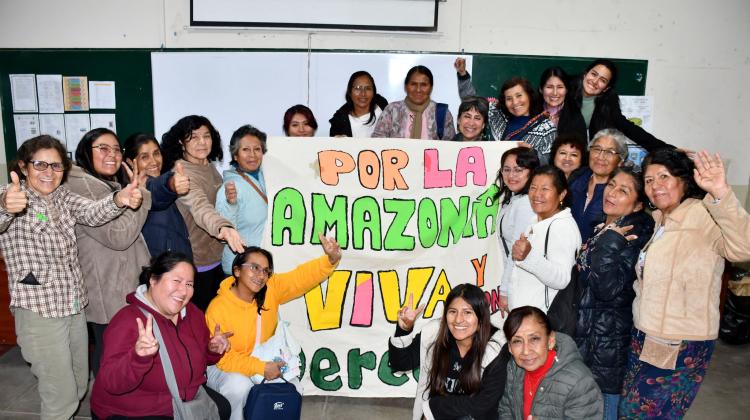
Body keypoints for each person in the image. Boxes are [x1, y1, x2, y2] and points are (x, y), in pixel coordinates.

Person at [0, 135, 141, 419]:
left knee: (77, 385)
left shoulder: (63, 196)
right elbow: (3, 213)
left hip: (73, 308)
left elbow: (91, 212)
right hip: (38, 312)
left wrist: (119, 199)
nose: (49, 173)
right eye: (40, 165)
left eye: (56, 166)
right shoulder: (14, 196)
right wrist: (5, 205)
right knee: (60, 397)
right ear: (25, 167)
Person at [620, 149, 750, 418]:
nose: (656, 185)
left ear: (683, 180)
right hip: (645, 334)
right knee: (633, 410)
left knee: (644, 414)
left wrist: (721, 193)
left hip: (679, 341)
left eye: (664, 176)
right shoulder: (659, 220)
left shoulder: (702, 214)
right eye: (649, 180)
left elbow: (744, 248)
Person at [204, 234, 342, 420]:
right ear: (236, 271)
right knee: (239, 386)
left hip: (261, 359)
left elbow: (300, 278)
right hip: (223, 366)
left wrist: (331, 259)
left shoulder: (271, 288)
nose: (261, 276)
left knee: (293, 388)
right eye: (254, 268)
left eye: (266, 271)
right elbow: (224, 360)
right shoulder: (218, 308)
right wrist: (261, 368)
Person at [91, 252, 233, 419]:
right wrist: (138, 358)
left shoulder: (193, 314)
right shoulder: (128, 320)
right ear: (153, 280)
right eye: (176, 281)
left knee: (223, 408)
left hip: (181, 399)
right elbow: (111, 383)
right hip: (134, 409)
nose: (183, 291)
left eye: (189, 284)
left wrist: (212, 349)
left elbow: (200, 360)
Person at [65, 128, 153, 376]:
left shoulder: (103, 184)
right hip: (108, 288)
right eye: (103, 148)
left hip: (116, 283)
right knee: (110, 354)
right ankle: (105, 410)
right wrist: (142, 194)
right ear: (85, 151)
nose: (111, 155)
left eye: (116, 149)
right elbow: (119, 237)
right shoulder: (83, 186)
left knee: (117, 350)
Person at [573, 167, 654, 420]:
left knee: (602, 406)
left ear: (638, 204)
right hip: (588, 334)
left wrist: (609, 243)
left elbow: (607, 290)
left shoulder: (630, 237)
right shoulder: (601, 228)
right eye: (611, 185)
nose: (612, 193)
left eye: (624, 190)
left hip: (607, 341)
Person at [161, 115, 245, 311]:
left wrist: (229, 201)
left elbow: (214, 205)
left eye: (206, 136)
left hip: (216, 257)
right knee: (200, 322)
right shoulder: (182, 173)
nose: (202, 142)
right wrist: (224, 227)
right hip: (196, 262)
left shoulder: (208, 167)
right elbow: (200, 207)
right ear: (181, 142)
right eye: (194, 137)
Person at [389, 284, 508, 420]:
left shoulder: (496, 347)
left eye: (467, 312)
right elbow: (401, 364)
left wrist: (434, 408)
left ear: (481, 317)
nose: (458, 319)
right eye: (452, 311)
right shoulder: (434, 333)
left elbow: (482, 404)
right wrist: (404, 329)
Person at [499, 306, 603, 419]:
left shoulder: (579, 382)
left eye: (534, 339)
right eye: (517, 341)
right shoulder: (514, 368)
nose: (526, 351)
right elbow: (506, 409)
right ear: (509, 347)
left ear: (551, 340)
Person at [507, 166, 581, 312]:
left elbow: (561, 279)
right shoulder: (536, 220)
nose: (536, 194)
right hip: (524, 315)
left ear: (561, 194)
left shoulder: (562, 227)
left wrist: (528, 257)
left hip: (541, 319)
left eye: (545, 189)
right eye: (533, 188)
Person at [454, 58, 556, 163]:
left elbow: (551, 163)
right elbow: (472, 101)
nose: (515, 102)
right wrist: (463, 75)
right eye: (509, 98)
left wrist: (533, 154)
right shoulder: (496, 114)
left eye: (519, 96)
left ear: (529, 96)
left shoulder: (546, 128)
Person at [570, 58, 673, 150]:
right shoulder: (563, 88)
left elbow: (627, 127)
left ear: (606, 88)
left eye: (603, 80)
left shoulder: (608, 102)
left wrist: (666, 148)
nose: (595, 81)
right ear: (585, 73)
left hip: (579, 154)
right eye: (594, 74)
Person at [123, 132, 193, 259]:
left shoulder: (153, 181)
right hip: (162, 269)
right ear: (130, 162)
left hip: (178, 266)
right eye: (144, 157)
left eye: (156, 153)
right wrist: (172, 183)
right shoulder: (134, 192)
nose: (154, 161)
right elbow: (157, 191)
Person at [215, 125, 269, 275]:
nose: (252, 155)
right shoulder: (230, 188)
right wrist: (231, 204)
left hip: (265, 264)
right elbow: (223, 236)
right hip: (242, 268)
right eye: (245, 149)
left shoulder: (269, 179)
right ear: (235, 155)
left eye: (257, 149)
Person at [493, 147, 540, 315]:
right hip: (514, 281)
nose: (511, 175)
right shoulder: (513, 199)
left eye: (519, 170)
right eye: (507, 169)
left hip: (520, 285)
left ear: (531, 172)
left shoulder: (526, 204)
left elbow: (516, 253)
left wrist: (504, 292)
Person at [569, 128, 628, 242]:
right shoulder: (575, 178)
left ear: (621, 161)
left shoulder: (620, 194)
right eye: (597, 149)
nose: (601, 157)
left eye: (609, 152)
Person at [372, 65, 456, 140]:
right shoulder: (392, 110)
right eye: (413, 84)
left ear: (430, 87)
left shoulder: (442, 113)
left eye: (423, 85)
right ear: (406, 86)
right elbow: (377, 143)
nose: (418, 90)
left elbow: (450, 150)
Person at [329, 70, 389, 137]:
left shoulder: (383, 107)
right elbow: (334, 146)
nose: (363, 94)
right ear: (350, 92)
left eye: (368, 88)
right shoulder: (339, 122)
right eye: (357, 88)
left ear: (373, 92)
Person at [539, 66, 587, 139]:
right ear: (541, 89)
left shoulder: (575, 116)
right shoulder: (532, 112)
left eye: (560, 87)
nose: (555, 93)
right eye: (549, 87)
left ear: (566, 90)